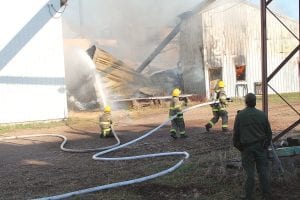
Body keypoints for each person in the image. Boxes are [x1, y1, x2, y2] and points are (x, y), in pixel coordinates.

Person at [233, 93, 272, 200]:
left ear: (246, 102)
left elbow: (236, 135)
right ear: (255, 102)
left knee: (249, 173)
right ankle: (266, 194)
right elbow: (269, 133)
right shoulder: (262, 114)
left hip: (247, 148)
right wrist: (265, 145)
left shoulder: (240, 115)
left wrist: (240, 147)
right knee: (263, 171)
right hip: (260, 147)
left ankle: (248, 195)